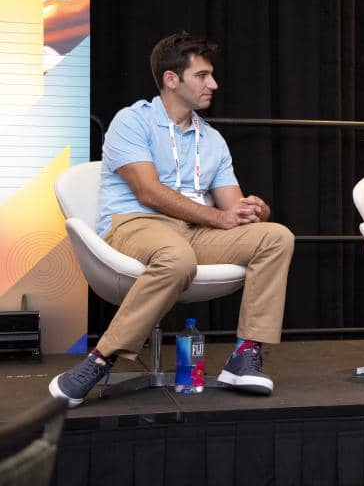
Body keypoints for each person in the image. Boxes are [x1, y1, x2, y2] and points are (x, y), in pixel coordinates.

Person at [49, 31, 294, 407]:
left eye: (211, 75)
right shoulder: (132, 121)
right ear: (171, 79)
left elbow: (233, 205)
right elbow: (148, 192)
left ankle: (244, 356)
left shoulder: (210, 139)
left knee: (275, 236)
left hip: (195, 231)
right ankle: (101, 358)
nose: (214, 83)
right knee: (176, 256)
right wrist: (219, 216)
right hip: (136, 223)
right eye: (202, 75)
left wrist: (254, 211)